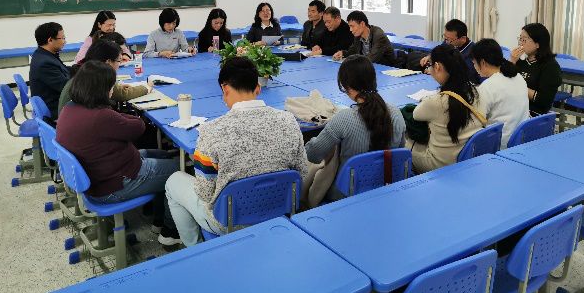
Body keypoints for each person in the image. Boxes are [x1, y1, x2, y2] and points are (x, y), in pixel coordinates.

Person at [165, 56, 308, 246]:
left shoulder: (211, 130)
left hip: (230, 222)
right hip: (280, 210)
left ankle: (195, 249)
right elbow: (302, 173)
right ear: (258, 88)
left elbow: (205, 193)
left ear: (225, 89)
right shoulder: (289, 121)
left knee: (174, 181)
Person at [56, 61, 181, 246]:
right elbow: (138, 126)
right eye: (111, 87)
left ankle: (158, 220)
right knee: (178, 171)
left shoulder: (70, 108)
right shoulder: (101, 116)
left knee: (163, 155)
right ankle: (170, 231)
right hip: (115, 183)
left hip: (102, 172)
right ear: (101, 90)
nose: (113, 91)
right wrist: (114, 111)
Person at [304, 55, 406, 201]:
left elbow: (312, 155)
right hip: (385, 187)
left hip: (345, 194)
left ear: (348, 87)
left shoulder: (344, 118)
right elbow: (399, 152)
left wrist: (313, 140)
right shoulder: (396, 113)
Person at [406, 44, 488, 173]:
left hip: (438, 164)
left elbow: (416, 114)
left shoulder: (437, 102)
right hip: (467, 158)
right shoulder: (476, 91)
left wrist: (427, 99)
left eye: (430, 65)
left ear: (437, 67)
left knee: (402, 139)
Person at [57, 39, 154, 114]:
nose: (119, 64)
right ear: (108, 62)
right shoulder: (98, 77)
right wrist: (147, 88)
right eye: (119, 61)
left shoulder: (85, 69)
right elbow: (123, 94)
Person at [472, 39, 530, 148]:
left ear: (483, 63)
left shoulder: (488, 87)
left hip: (499, 144)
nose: (474, 67)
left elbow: (476, 123)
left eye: (474, 63)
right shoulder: (518, 77)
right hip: (521, 140)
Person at [510, 23, 562, 116]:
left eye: (524, 39)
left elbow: (543, 100)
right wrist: (512, 62)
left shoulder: (550, 67)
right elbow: (505, 83)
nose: (520, 43)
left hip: (533, 113)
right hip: (515, 108)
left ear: (537, 44)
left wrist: (517, 87)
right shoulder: (520, 62)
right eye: (520, 39)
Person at [29, 22, 70, 121]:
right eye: (62, 38)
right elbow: (67, 89)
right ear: (50, 40)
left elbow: (64, 70)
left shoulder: (43, 54)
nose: (65, 41)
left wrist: (83, 69)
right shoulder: (45, 63)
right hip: (55, 111)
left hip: (55, 102)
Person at [418, 19, 480, 84]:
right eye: (445, 38)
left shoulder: (474, 52)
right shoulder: (448, 42)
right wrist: (430, 56)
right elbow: (440, 51)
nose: (446, 42)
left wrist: (435, 71)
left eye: (449, 39)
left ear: (463, 39)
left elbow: (464, 75)